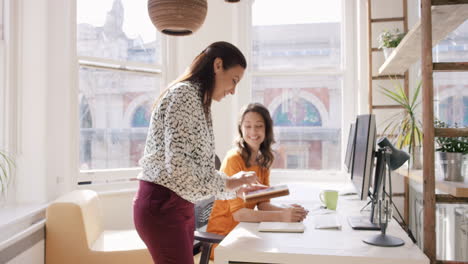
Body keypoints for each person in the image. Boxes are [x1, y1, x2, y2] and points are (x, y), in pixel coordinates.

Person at [133, 42, 266, 264]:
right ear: (218, 65)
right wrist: (229, 184)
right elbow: (180, 169)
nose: (233, 90)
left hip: (178, 205)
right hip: (163, 206)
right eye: (234, 80)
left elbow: (198, 171)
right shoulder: (185, 95)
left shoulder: (199, 100)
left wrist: (233, 183)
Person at [206, 103, 309, 259]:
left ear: (266, 129)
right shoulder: (234, 159)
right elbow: (239, 214)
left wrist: (287, 211)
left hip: (244, 232)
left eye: (259, 126)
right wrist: (282, 216)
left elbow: (263, 204)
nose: (253, 132)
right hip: (223, 240)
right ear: (240, 129)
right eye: (247, 126)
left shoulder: (263, 160)